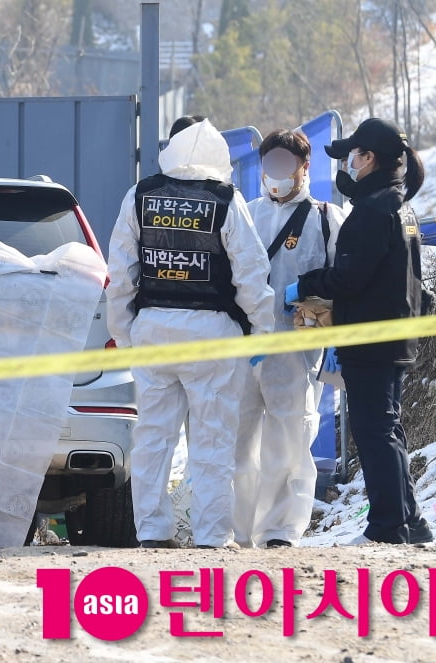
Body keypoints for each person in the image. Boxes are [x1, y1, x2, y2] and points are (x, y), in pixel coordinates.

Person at [106, 116, 275, 549]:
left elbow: (121, 271)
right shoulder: (225, 199)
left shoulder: (140, 195)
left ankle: (152, 532)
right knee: (213, 442)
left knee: (152, 439)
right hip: (212, 335)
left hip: (153, 330)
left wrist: (123, 333)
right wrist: (261, 330)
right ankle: (212, 535)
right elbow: (251, 273)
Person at [286, 117, 431, 545]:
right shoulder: (399, 206)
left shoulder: (372, 210)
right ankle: (411, 522)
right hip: (395, 335)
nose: (348, 164)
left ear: (369, 158)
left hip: (370, 337)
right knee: (388, 428)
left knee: (374, 432)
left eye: (352, 156)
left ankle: (387, 528)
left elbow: (350, 277)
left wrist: (306, 285)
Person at [234, 129, 345, 549]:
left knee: (290, 439)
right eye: (269, 164)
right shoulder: (244, 214)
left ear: (304, 168)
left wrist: (336, 338)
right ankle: (236, 529)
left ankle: (281, 529)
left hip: (297, 348)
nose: (275, 172)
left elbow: (343, 280)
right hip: (244, 345)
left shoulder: (326, 218)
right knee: (238, 441)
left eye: (284, 164)